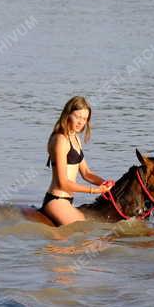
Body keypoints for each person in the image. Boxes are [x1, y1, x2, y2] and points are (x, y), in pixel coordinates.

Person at [41, 96, 112, 226]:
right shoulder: (60, 140)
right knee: (85, 232)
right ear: (67, 115)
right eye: (77, 117)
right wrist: (93, 191)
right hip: (57, 200)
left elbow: (86, 173)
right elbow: (62, 183)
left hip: (67, 201)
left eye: (84, 119)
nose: (81, 122)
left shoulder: (75, 138)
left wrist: (106, 184)